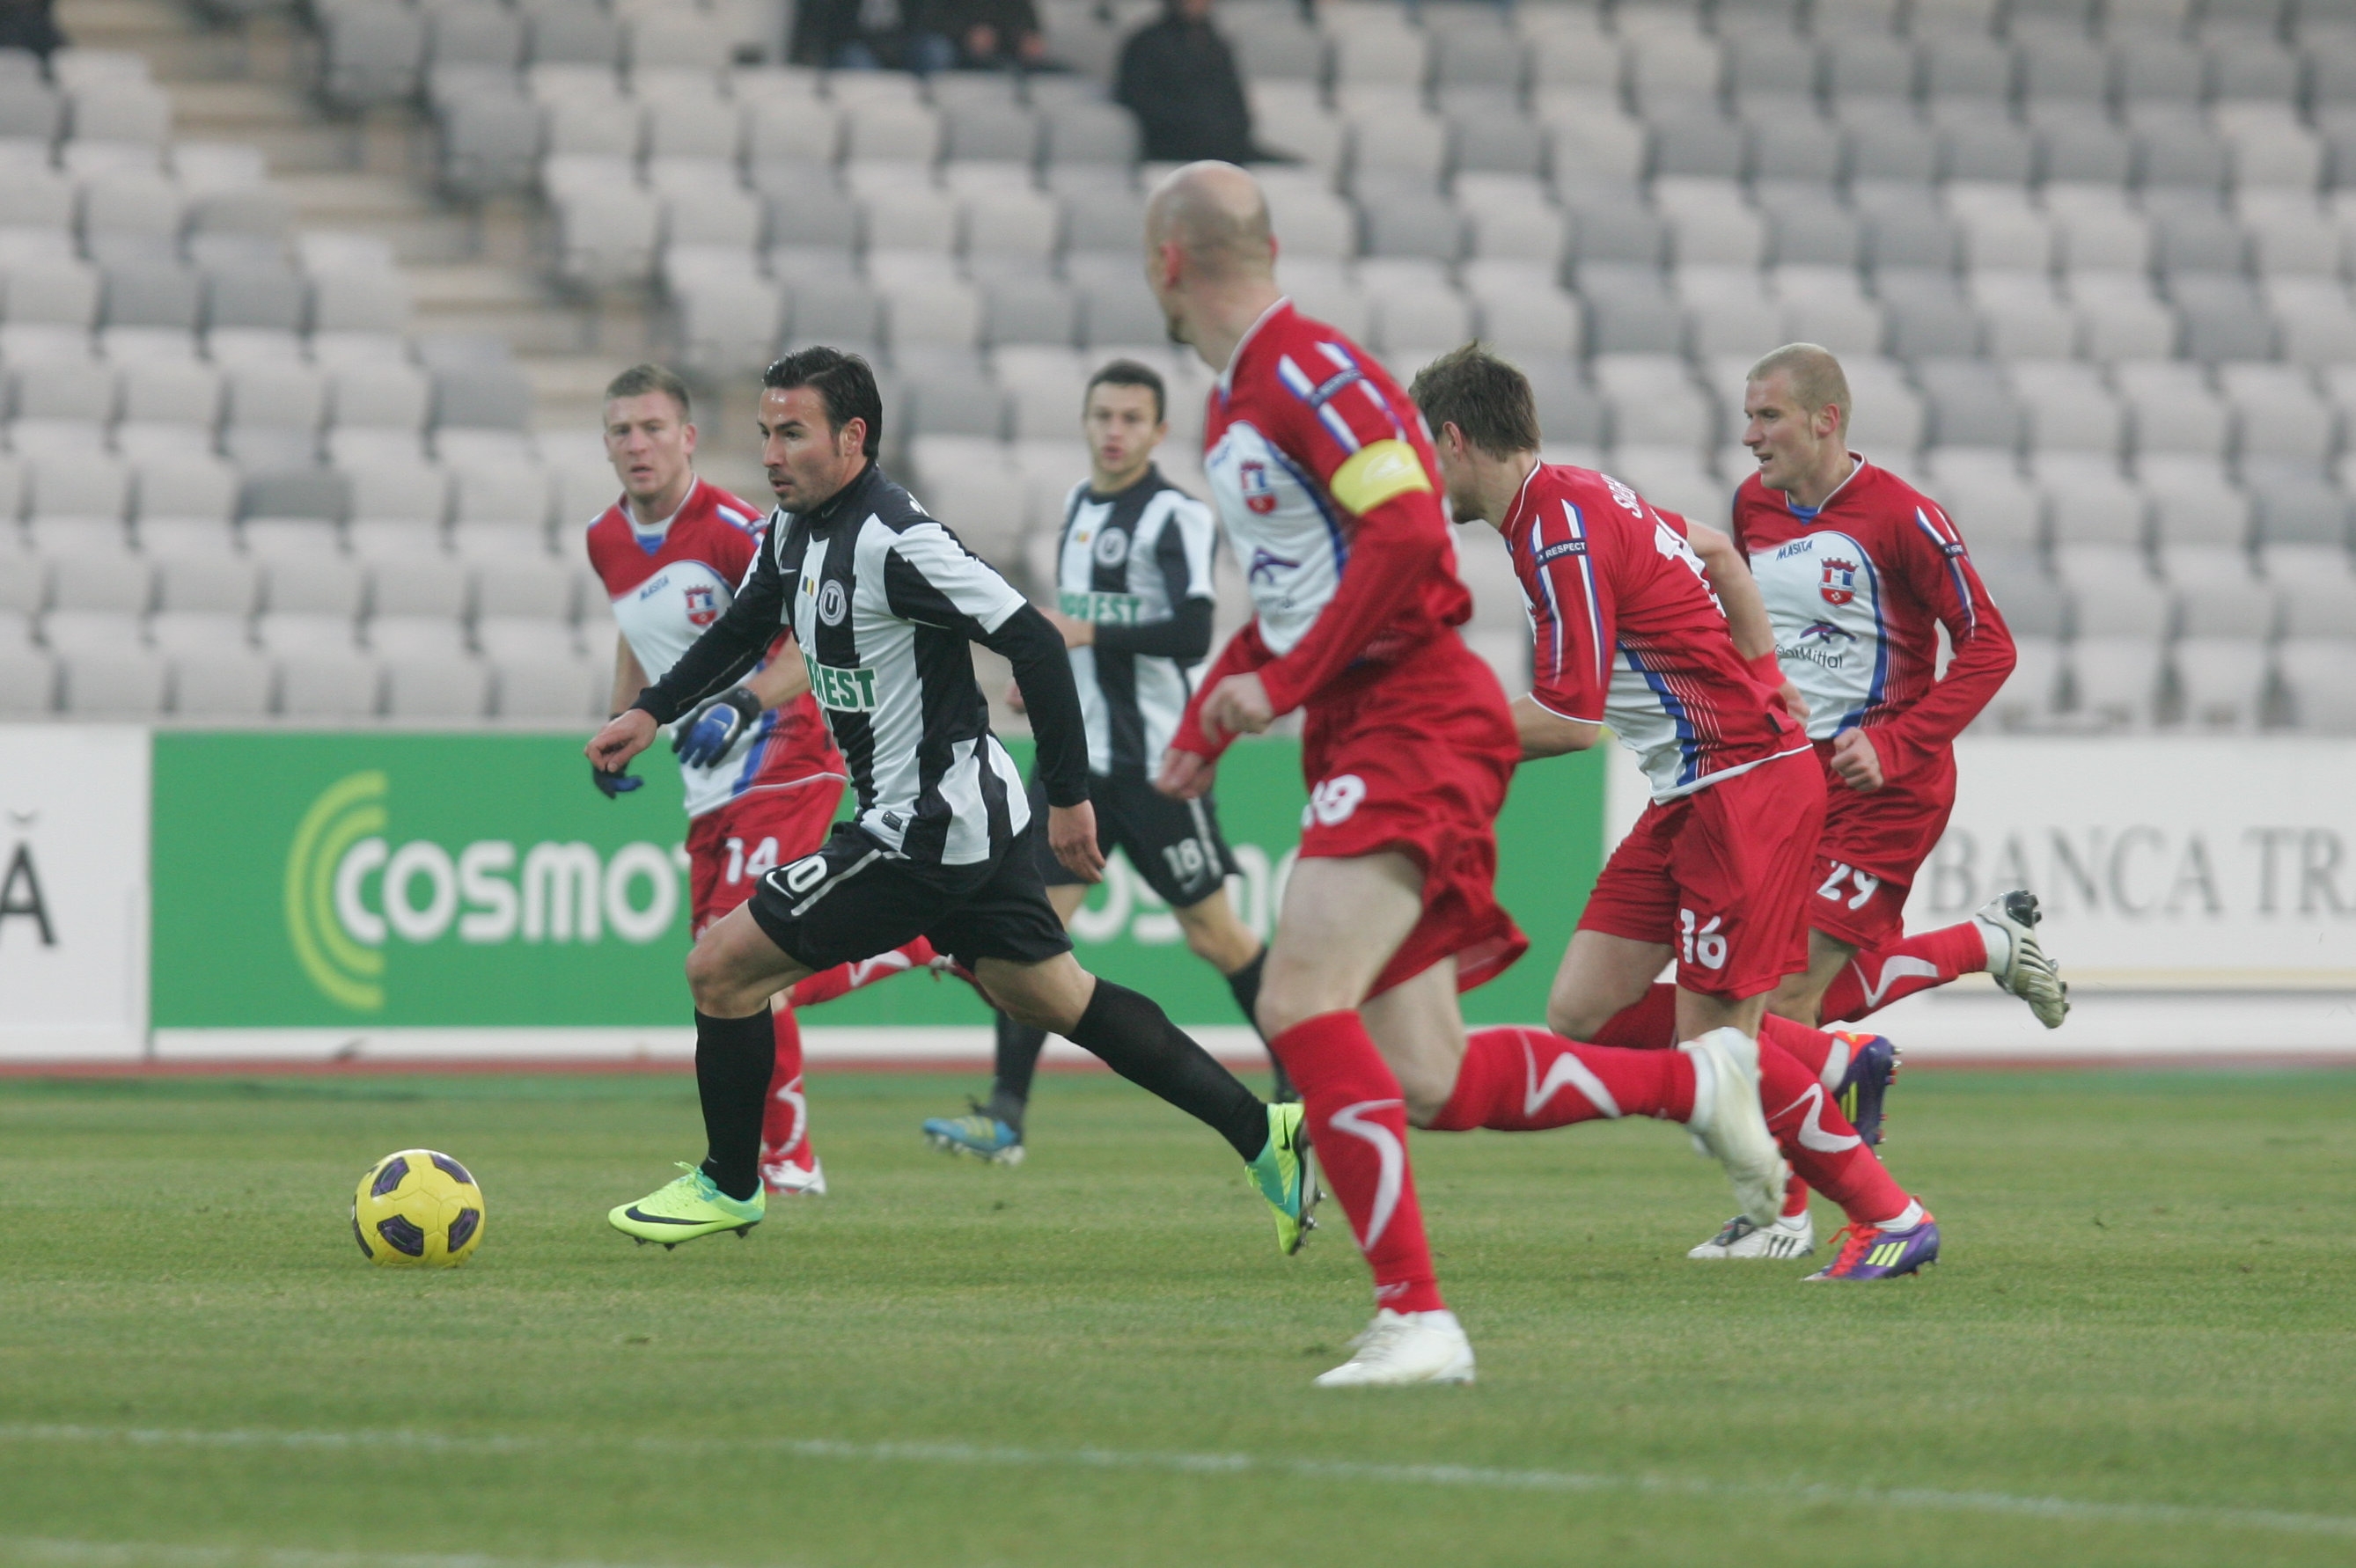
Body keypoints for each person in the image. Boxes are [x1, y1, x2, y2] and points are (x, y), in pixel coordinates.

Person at [1145, 165, 1787, 1387]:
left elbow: (1400, 538)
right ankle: (1697, 1078)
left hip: (1410, 715)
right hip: (1360, 718)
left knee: (1296, 1001)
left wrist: (1274, 690)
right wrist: (1212, 715)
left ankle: (1418, 1317)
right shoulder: (1239, 408)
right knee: (1426, 1075)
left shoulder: (1307, 372)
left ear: (1168, 262)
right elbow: (1298, 592)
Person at [586, 347, 1317, 1256]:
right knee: (1057, 998)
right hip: (965, 814)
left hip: (926, 825)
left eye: (792, 433)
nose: (770, 453)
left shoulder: (900, 539)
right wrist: (651, 712)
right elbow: (740, 630)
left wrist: (1070, 798)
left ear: (852, 438)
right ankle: (1263, 1133)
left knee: (719, 970)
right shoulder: (791, 530)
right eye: (767, 432)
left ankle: (732, 1183)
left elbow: (1038, 647)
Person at [1407, 342, 1943, 1286]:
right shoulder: (1579, 492)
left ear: (1453, 440)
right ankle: (1824, 1062)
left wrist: (1424, 738)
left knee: (1715, 1065)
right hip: (1697, 790)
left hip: (1744, 794)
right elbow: (1718, 553)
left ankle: (1888, 1215)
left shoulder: (1556, 532)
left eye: (1421, 448)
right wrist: (1765, 676)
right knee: (1580, 1007)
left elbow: (1571, 723)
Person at [1709, 342, 2068, 1257]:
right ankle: (1984, 943)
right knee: (1773, 1000)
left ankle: (1783, 1211)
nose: (1749, 436)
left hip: (1889, 789)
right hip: (1793, 783)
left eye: (1768, 417)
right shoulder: (1751, 508)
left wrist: (1898, 742)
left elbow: (1988, 646)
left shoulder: (1906, 517)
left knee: (1782, 1002)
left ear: (1826, 420)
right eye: (1748, 416)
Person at [921, 356, 1288, 1166]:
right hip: (1073, 769)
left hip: (1155, 767)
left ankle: (1301, 1092)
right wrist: (1048, 679)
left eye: (1131, 418)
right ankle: (1006, 1119)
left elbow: (1191, 634)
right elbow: (1068, 634)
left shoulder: (1174, 518)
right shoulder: (1076, 508)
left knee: (1217, 938)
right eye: (1103, 416)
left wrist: (1083, 635)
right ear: (1086, 424)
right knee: (1030, 941)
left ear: (1158, 432)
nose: (1115, 431)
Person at [584, 364, 936, 1199]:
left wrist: (741, 706)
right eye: (621, 431)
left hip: (786, 758)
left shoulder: (740, 529)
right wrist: (622, 723)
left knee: (744, 966)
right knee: (730, 972)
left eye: (652, 428)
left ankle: (784, 1164)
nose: (637, 444)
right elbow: (640, 635)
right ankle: (921, 933)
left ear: (688, 438)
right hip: (710, 788)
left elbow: (806, 645)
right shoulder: (605, 539)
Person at [1116, 0, 1259, 165]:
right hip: (1170, 146)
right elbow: (1137, 98)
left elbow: (1235, 99)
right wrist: (1195, 123)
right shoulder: (1146, 43)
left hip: (1226, 145)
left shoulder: (1217, 43)